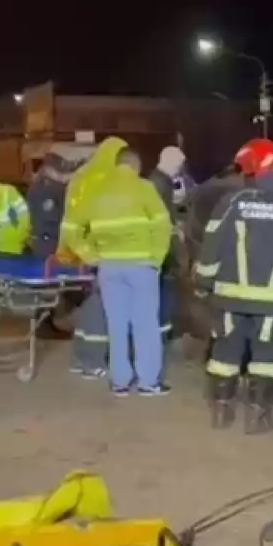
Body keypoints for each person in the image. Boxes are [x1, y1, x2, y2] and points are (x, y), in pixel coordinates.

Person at [195, 138, 273, 434]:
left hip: (228, 298)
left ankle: (221, 413)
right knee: (266, 357)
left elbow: (211, 247)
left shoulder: (231, 203)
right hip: (271, 302)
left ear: (250, 169)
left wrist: (203, 283)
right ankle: (258, 418)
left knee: (225, 353)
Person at [61, 144, 171, 397]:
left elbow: (70, 228)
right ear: (135, 166)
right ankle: (148, 382)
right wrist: (156, 258)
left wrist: (91, 255)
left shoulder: (96, 192)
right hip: (142, 265)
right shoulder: (144, 188)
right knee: (145, 324)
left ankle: (120, 381)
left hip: (109, 266)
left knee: (116, 324)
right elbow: (162, 225)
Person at [149, 145, 188, 341]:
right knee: (165, 288)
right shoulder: (159, 183)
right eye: (179, 165)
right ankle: (162, 330)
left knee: (165, 288)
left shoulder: (159, 181)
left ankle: (163, 329)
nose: (179, 169)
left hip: (160, 244)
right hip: (162, 245)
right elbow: (161, 216)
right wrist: (174, 233)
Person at [26, 153, 75, 259]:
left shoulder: (45, 187)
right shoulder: (44, 190)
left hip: (51, 243)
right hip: (49, 244)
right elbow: (54, 219)